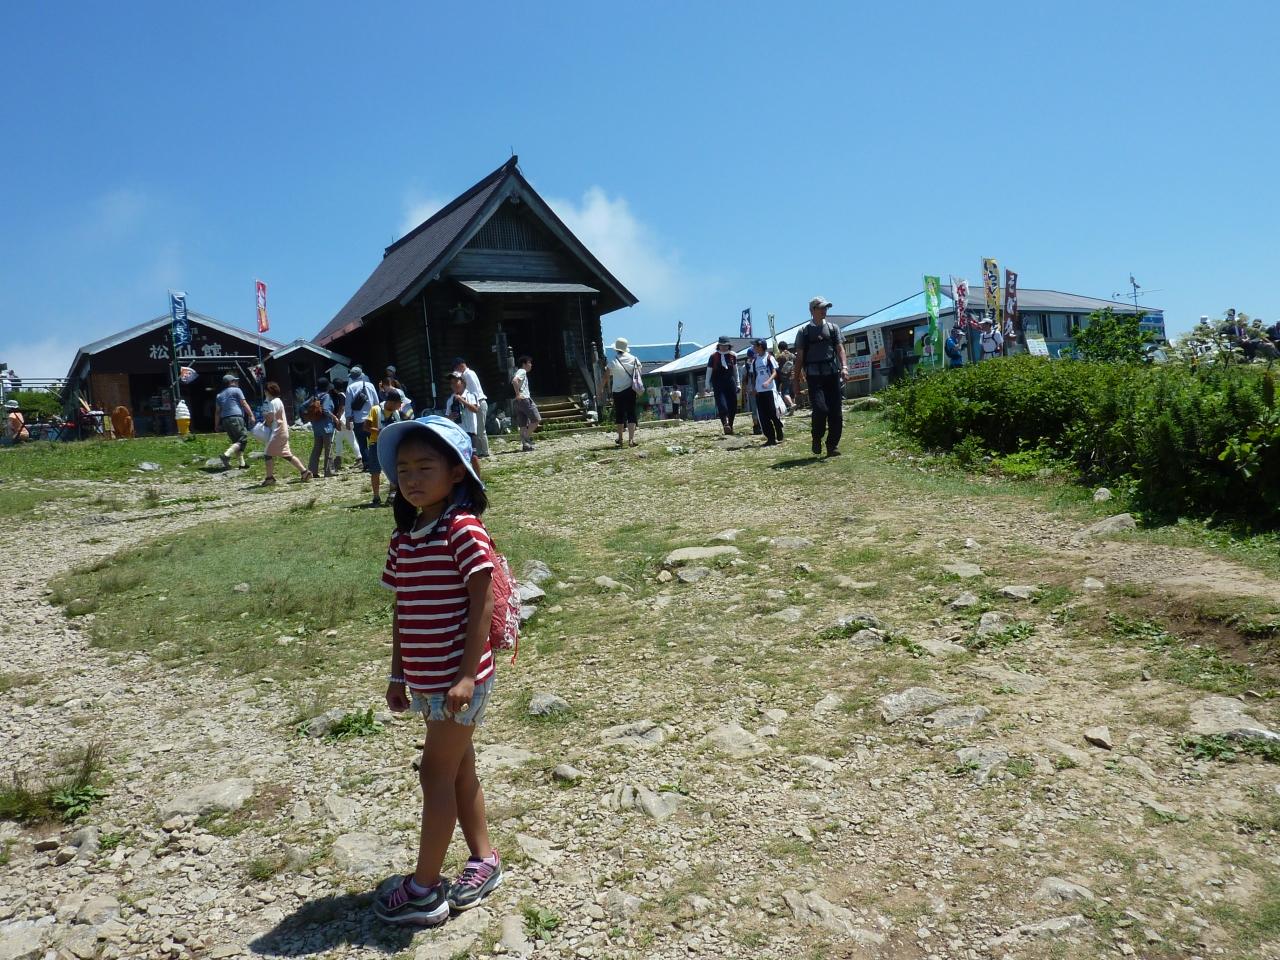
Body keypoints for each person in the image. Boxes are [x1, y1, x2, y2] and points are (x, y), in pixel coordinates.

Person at [372, 415, 502, 926]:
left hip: (460, 680)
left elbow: (483, 602)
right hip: (427, 682)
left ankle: (424, 889)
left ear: (457, 472)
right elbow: (402, 609)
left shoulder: (462, 528)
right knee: (458, 767)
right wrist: (397, 674)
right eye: (403, 469)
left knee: (434, 772)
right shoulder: (404, 537)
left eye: (425, 466)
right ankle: (484, 859)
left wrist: (467, 676)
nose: (412, 478)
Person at [794, 296, 849, 457]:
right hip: (814, 377)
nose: (824, 310)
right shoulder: (803, 332)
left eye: (826, 308)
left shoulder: (833, 328)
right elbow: (799, 358)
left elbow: (840, 349)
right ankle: (816, 438)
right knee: (820, 409)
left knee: (836, 412)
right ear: (812, 310)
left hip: (832, 374)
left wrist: (844, 367)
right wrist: (796, 381)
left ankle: (832, 445)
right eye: (821, 308)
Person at [261, 382, 311, 485]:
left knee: (267, 454)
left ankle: (269, 478)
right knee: (286, 454)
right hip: (283, 431)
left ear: (268, 392)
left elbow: (270, 418)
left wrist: (265, 419)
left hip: (277, 432)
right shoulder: (278, 401)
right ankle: (304, 472)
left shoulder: (272, 403)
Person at [600, 337, 643, 447]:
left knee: (619, 414)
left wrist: (600, 388)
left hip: (617, 391)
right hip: (630, 390)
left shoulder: (614, 361)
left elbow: (606, 376)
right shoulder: (634, 359)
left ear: (616, 349)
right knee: (631, 413)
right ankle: (631, 440)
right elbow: (639, 372)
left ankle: (620, 439)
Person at [367, 389, 406, 506]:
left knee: (394, 469)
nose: (401, 405)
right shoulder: (375, 410)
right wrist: (380, 431)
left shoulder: (397, 413)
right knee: (375, 471)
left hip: (392, 443)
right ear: (392, 402)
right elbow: (366, 427)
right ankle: (376, 497)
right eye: (399, 403)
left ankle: (392, 495)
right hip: (376, 444)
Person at [746, 338, 784, 446]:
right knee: (763, 416)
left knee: (772, 413)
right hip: (759, 391)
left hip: (769, 390)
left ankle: (778, 427)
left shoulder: (769, 358)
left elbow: (774, 372)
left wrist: (768, 381)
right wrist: (754, 388)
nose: (753, 348)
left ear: (760, 346)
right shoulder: (754, 361)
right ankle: (770, 438)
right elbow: (754, 376)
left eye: (755, 346)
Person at [215, 373, 256, 470]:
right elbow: (244, 403)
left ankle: (242, 464)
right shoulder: (237, 390)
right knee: (243, 439)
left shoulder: (219, 395)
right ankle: (226, 455)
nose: (236, 382)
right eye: (235, 381)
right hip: (236, 417)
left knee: (236, 442)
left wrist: (216, 425)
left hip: (225, 419)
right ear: (231, 382)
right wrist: (251, 415)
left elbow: (217, 412)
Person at [345, 366, 381, 473]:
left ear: (351, 377)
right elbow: (376, 402)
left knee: (362, 443)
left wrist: (348, 420)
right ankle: (377, 462)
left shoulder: (350, 388)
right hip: (372, 419)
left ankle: (367, 464)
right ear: (362, 375)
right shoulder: (370, 385)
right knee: (374, 441)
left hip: (358, 420)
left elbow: (348, 405)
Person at [452, 358, 490, 458]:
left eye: (456, 368)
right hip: (474, 403)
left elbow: (474, 392)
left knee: (480, 429)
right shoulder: (465, 375)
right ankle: (480, 452)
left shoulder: (469, 374)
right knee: (476, 429)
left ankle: (485, 451)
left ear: (460, 365)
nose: (456, 370)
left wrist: (472, 403)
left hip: (479, 403)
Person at [705, 336, 739, 435]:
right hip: (718, 383)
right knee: (722, 404)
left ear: (729, 346)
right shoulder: (713, 356)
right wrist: (707, 385)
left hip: (730, 382)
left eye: (726, 345)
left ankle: (730, 425)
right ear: (718, 345)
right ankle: (725, 424)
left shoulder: (733, 355)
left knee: (733, 404)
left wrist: (738, 383)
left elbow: (735, 371)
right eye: (722, 345)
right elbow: (709, 371)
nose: (724, 347)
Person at [307, 377, 339, 478]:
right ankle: (329, 471)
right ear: (327, 387)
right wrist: (334, 417)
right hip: (326, 426)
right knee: (328, 449)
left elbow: (305, 407)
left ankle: (312, 471)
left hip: (316, 426)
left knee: (317, 449)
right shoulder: (326, 396)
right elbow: (325, 410)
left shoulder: (314, 396)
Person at [445, 373, 481, 450]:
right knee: (461, 454)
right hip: (457, 432)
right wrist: (450, 416)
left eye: (456, 382)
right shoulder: (450, 400)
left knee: (473, 454)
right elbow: (446, 417)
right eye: (451, 383)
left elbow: (475, 409)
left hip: (470, 431)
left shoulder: (471, 395)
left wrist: (462, 400)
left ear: (463, 382)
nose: (454, 385)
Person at [511, 357, 540, 452]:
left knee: (523, 424)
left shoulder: (519, 371)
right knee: (536, 419)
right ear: (524, 364)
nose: (531, 365)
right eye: (529, 362)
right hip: (524, 399)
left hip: (518, 402)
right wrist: (518, 394)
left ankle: (525, 445)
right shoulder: (522, 371)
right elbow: (514, 380)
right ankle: (526, 437)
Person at [775, 341, 798, 414]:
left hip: (784, 376)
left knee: (785, 393)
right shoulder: (792, 355)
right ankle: (792, 411)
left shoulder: (780, 356)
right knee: (792, 393)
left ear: (779, 348)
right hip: (792, 375)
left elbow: (776, 365)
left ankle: (791, 405)